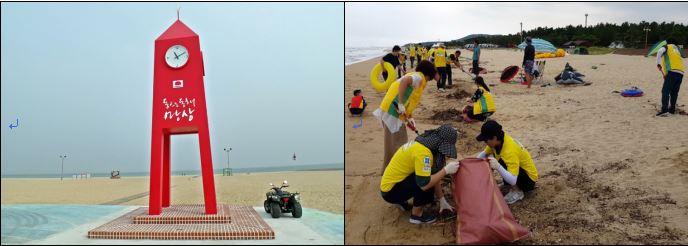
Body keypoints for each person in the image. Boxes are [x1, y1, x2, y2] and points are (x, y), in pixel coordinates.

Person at [380, 124, 460, 224]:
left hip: (389, 186)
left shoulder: (423, 143)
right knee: (426, 182)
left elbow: (434, 174)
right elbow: (425, 183)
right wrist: (445, 171)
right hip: (391, 192)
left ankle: (401, 201)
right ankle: (416, 215)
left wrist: (442, 199)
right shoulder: (424, 153)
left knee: (427, 175)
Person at [373, 60, 438, 172]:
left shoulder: (415, 76)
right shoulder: (418, 77)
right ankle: (394, 173)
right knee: (399, 144)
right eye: (428, 79)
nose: (427, 81)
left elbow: (410, 99)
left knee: (392, 144)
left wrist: (410, 118)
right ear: (427, 74)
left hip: (392, 111)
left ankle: (388, 171)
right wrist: (400, 103)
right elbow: (404, 82)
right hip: (392, 112)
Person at [475, 120, 539, 204]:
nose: (485, 143)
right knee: (499, 159)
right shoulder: (498, 141)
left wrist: (498, 167)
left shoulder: (509, 150)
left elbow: (512, 180)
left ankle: (517, 191)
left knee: (501, 161)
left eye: (486, 140)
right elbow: (484, 154)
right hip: (519, 172)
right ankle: (507, 184)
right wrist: (472, 164)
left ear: (494, 138)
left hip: (528, 180)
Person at [655, 38, 685, 116]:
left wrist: (657, 63)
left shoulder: (667, 46)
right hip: (681, 72)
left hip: (672, 71)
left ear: (668, 42)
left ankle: (664, 110)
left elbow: (660, 51)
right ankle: (672, 110)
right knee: (674, 92)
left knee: (665, 91)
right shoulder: (677, 50)